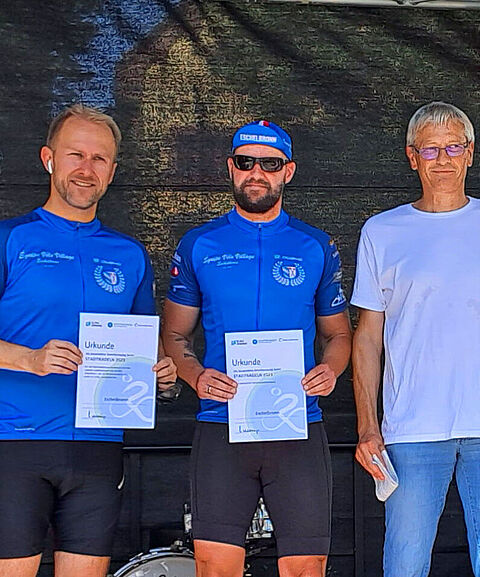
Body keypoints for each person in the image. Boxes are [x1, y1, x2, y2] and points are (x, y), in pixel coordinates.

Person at [351, 101, 480, 577]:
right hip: (411, 427)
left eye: (453, 146)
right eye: (431, 148)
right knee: (404, 564)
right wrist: (367, 425)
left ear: (471, 153)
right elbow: (367, 339)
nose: (443, 158)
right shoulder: (381, 231)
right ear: (411, 156)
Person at [162, 120, 351, 577]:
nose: (257, 173)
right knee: (214, 564)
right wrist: (195, 376)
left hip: (296, 422)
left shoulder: (315, 246)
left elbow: (340, 335)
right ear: (231, 168)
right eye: (246, 162)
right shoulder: (199, 244)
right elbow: (173, 337)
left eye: (270, 164)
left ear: (288, 171)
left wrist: (331, 370)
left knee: (306, 566)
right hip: (221, 421)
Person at [0, 104, 177, 577]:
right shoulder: (9, 239)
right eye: (75, 154)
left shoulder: (129, 254)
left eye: (99, 159)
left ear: (113, 171)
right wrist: (29, 359)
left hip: (98, 445)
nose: (86, 168)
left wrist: (162, 373)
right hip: (16, 440)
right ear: (47, 159)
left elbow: (148, 342)